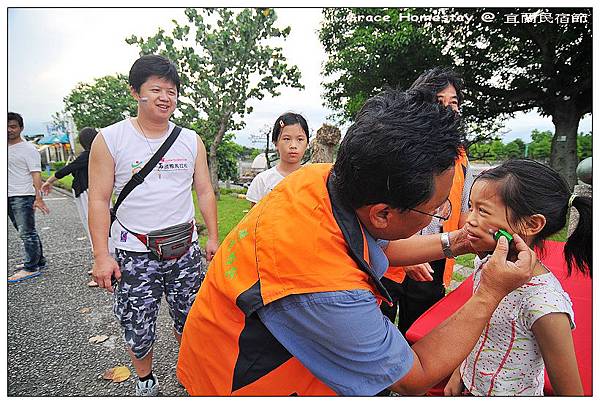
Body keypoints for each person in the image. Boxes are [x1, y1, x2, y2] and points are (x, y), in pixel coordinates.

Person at [176, 89, 536, 396]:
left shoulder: (319, 181)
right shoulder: (327, 290)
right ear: (382, 214)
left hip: (221, 342)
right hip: (246, 382)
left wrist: (457, 242)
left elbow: (378, 250)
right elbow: (415, 375)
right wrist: (490, 291)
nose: (443, 212)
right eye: (435, 209)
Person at [87, 55, 219, 396]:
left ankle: (189, 367)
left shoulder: (191, 140)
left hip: (184, 249)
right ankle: (145, 379)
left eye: (172, 91)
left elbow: (204, 191)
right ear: (135, 92)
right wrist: (102, 255)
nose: (166, 97)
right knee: (137, 323)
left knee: (191, 318)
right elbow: (99, 200)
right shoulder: (110, 139)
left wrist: (213, 238)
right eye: (156, 89)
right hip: (134, 252)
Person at [444, 159, 590, 396]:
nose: (469, 219)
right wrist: (461, 370)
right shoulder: (487, 263)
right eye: (471, 207)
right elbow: (479, 327)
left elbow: (571, 394)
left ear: (531, 224)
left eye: (482, 211)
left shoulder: (543, 304)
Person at [381, 67, 475, 335]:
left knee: (421, 333)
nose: (447, 108)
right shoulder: (396, 149)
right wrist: (403, 253)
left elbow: (464, 209)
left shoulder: (460, 157)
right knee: (379, 329)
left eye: (453, 102)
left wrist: (474, 239)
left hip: (436, 255)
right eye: (438, 100)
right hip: (390, 258)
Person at [41, 127, 107, 287]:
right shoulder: (97, 154)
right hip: (90, 193)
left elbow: (67, 169)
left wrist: (49, 181)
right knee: (97, 229)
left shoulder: (90, 155)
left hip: (90, 194)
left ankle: (104, 267)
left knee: (96, 229)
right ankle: (102, 264)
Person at [8, 112, 49, 283]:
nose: (9, 130)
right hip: (9, 194)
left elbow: (36, 175)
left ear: (21, 128)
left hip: (23, 195)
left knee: (27, 232)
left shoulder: (28, 149)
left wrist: (38, 198)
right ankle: (38, 260)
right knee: (24, 230)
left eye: (13, 126)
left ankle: (31, 267)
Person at [246, 112, 309, 207]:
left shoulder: (314, 180)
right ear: (275, 143)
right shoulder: (263, 181)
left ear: (307, 144)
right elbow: (254, 219)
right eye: (287, 139)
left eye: (300, 139)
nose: (293, 146)